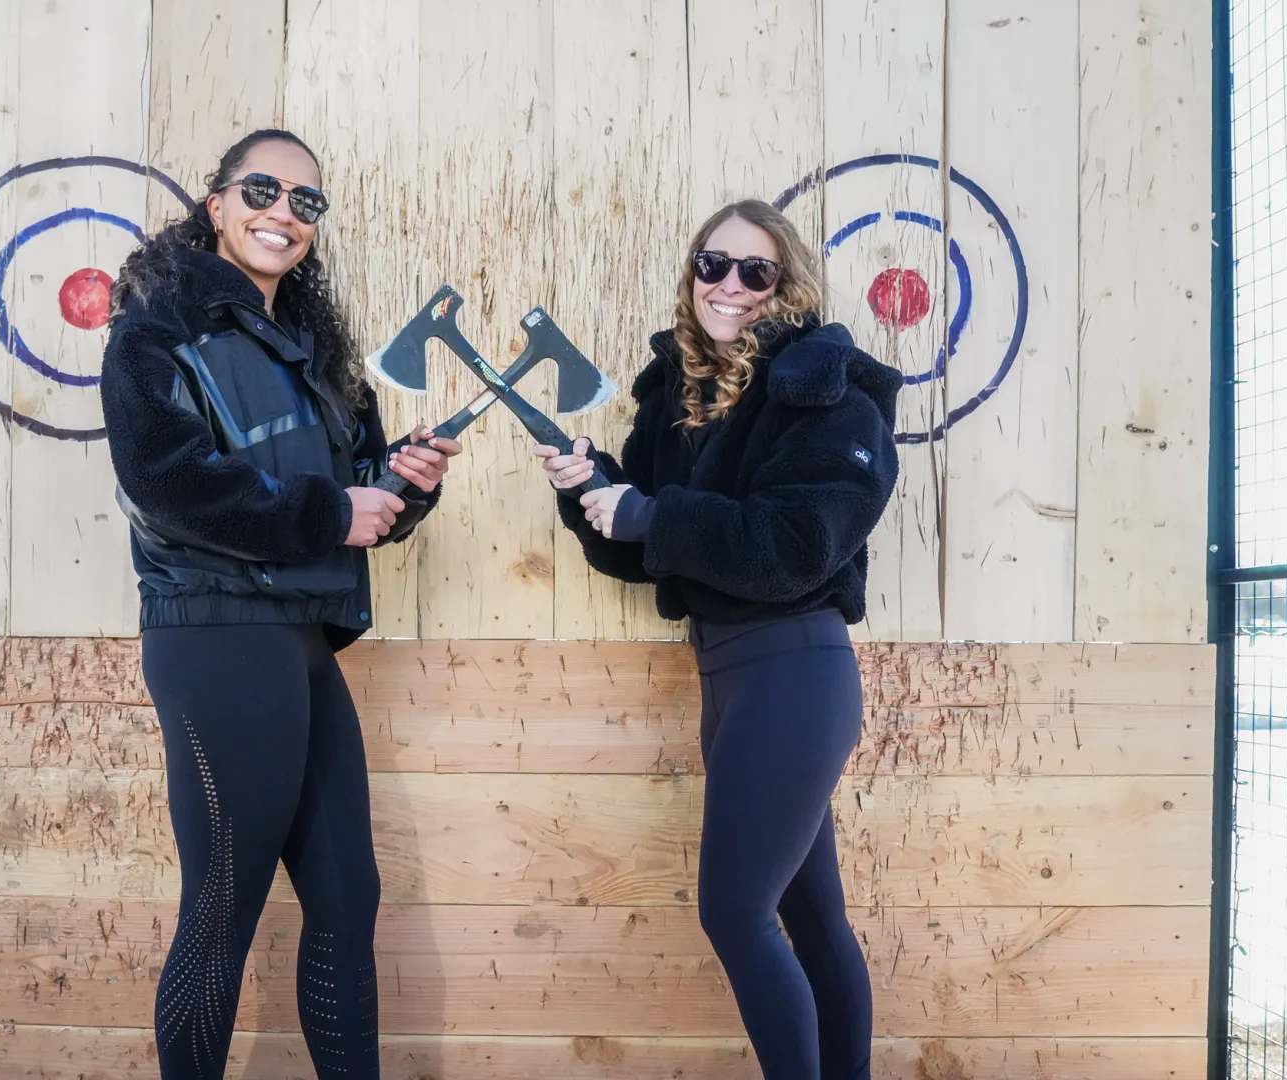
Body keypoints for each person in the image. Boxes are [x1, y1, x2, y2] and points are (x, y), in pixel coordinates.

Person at [100, 128, 461, 1080]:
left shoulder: (315, 353)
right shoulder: (157, 326)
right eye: (263, 190)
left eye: (307, 203)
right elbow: (166, 482)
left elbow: (353, 507)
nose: (284, 213)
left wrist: (402, 485)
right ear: (215, 204)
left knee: (348, 898)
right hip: (217, 632)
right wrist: (330, 510)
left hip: (298, 640)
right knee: (223, 905)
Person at [535, 200, 902, 1080]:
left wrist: (652, 513)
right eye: (713, 264)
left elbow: (792, 546)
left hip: (795, 673)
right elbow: (652, 551)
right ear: (691, 273)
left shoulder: (828, 395)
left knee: (735, 914)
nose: (729, 285)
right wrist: (595, 489)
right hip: (733, 679)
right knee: (811, 920)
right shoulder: (683, 394)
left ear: (790, 285)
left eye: (755, 270)